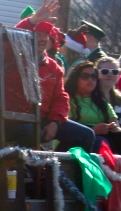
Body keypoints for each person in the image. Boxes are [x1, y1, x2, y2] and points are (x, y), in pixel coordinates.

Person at [6, 18, 95, 152]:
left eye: (45, 35)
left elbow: (60, 98)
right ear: (26, 36)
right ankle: (24, 170)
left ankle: (55, 168)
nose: (42, 39)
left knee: (86, 135)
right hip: (15, 120)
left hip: (43, 120)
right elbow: (9, 38)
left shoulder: (55, 68)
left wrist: (55, 122)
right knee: (32, 131)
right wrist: (34, 19)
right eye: (37, 34)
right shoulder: (13, 59)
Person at [64, 60, 121, 155]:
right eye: (85, 76)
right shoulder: (67, 100)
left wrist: (113, 128)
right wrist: (94, 130)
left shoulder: (102, 102)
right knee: (101, 142)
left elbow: (117, 127)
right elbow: (68, 129)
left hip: (104, 138)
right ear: (75, 79)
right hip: (76, 142)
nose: (90, 79)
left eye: (94, 76)